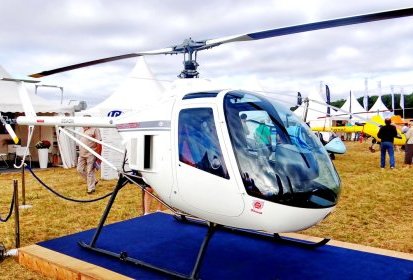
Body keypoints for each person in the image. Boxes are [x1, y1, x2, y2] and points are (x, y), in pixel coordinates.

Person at [77, 121, 102, 194]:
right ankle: (93, 181)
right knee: (79, 170)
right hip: (82, 154)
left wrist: (98, 155)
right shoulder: (82, 129)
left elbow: (99, 143)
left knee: (90, 171)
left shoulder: (95, 129)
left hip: (91, 154)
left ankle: (91, 189)